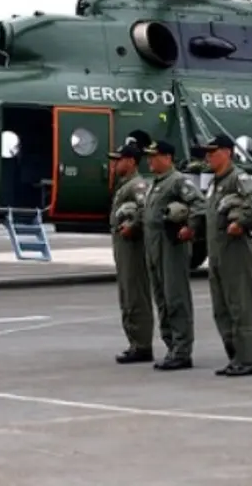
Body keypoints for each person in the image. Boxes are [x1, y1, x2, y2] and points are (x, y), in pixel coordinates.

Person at [196, 134, 252, 377]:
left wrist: (241, 222)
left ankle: (248, 359)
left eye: (212, 152)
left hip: (235, 251)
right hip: (217, 252)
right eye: (207, 153)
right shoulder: (215, 183)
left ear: (227, 152)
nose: (208, 157)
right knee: (222, 308)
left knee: (240, 306)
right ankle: (235, 357)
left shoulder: (238, 178)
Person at [142, 140, 206, 371]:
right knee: (161, 299)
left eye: (154, 156)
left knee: (175, 297)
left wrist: (190, 227)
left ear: (168, 157)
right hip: (153, 246)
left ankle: (182, 351)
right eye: (148, 156)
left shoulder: (178, 181)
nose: (149, 160)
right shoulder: (155, 183)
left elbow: (199, 205)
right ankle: (171, 346)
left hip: (171, 246)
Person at [108, 143, 155, 364]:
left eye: (119, 160)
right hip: (123, 247)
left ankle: (142, 345)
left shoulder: (137, 185)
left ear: (131, 161)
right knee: (127, 295)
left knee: (136, 294)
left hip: (134, 248)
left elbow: (146, 209)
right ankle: (135, 342)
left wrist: (133, 226)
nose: (114, 164)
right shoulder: (124, 185)